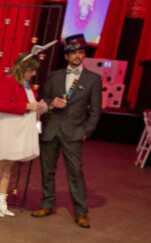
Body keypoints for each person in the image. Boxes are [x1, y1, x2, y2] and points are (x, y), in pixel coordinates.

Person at [32, 34, 101, 228]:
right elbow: (42, 99)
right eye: (73, 53)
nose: (77, 56)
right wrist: (50, 103)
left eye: (80, 52)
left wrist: (86, 131)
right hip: (52, 128)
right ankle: (46, 204)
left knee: (75, 172)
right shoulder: (54, 76)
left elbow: (95, 111)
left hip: (74, 132)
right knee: (47, 170)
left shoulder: (93, 79)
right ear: (66, 56)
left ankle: (81, 212)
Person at [0, 53, 46, 217]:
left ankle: (1, 200)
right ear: (23, 68)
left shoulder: (26, 85)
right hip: (6, 126)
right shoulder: (8, 81)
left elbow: (31, 104)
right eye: (31, 70)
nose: (33, 74)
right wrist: (27, 106)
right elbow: (2, 104)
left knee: (8, 166)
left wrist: (39, 107)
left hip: (18, 128)